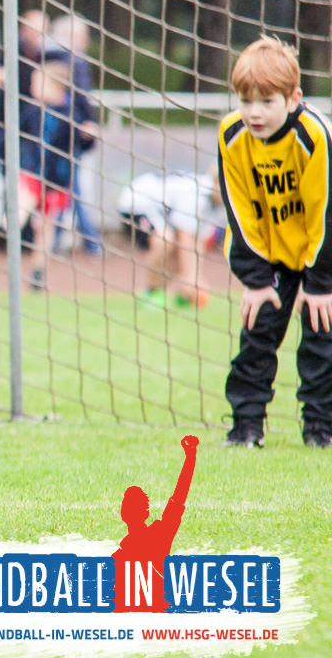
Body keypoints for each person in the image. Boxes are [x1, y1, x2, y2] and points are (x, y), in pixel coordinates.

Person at [216, 35, 332, 449]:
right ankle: (246, 427)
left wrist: (321, 286)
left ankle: (322, 429)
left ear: (294, 98)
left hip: (322, 252)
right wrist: (256, 279)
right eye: (245, 100)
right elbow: (239, 212)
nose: (254, 112)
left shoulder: (314, 136)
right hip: (272, 256)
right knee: (256, 334)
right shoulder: (231, 136)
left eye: (267, 101)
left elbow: (326, 211)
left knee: (322, 338)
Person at [17, 59, 95, 291]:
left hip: (57, 180)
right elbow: (15, 133)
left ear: (55, 87)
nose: (33, 88)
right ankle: (10, 227)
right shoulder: (31, 110)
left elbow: (79, 144)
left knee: (45, 228)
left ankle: (37, 275)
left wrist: (87, 137)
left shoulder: (71, 114)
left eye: (37, 83)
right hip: (33, 174)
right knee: (24, 202)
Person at [113, 434, 199, 612]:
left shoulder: (159, 536)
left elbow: (179, 497)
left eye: (130, 504)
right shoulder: (118, 557)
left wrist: (190, 458)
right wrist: (190, 457)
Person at [116, 169, 220, 307]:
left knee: (177, 248)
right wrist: (190, 278)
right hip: (135, 203)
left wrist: (196, 276)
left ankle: (180, 293)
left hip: (159, 211)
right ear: (217, 183)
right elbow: (185, 235)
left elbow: (196, 242)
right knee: (165, 240)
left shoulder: (215, 202)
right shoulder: (199, 194)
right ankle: (152, 293)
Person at [51, 12, 104, 256]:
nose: (86, 41)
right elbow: (82, 96)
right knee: (71, 186)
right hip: (69, 130)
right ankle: (89, 242)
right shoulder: (76, 60)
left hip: (50, 132)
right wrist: (89, 122)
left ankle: (57, 238)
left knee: (64, 186)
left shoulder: (46, 54)